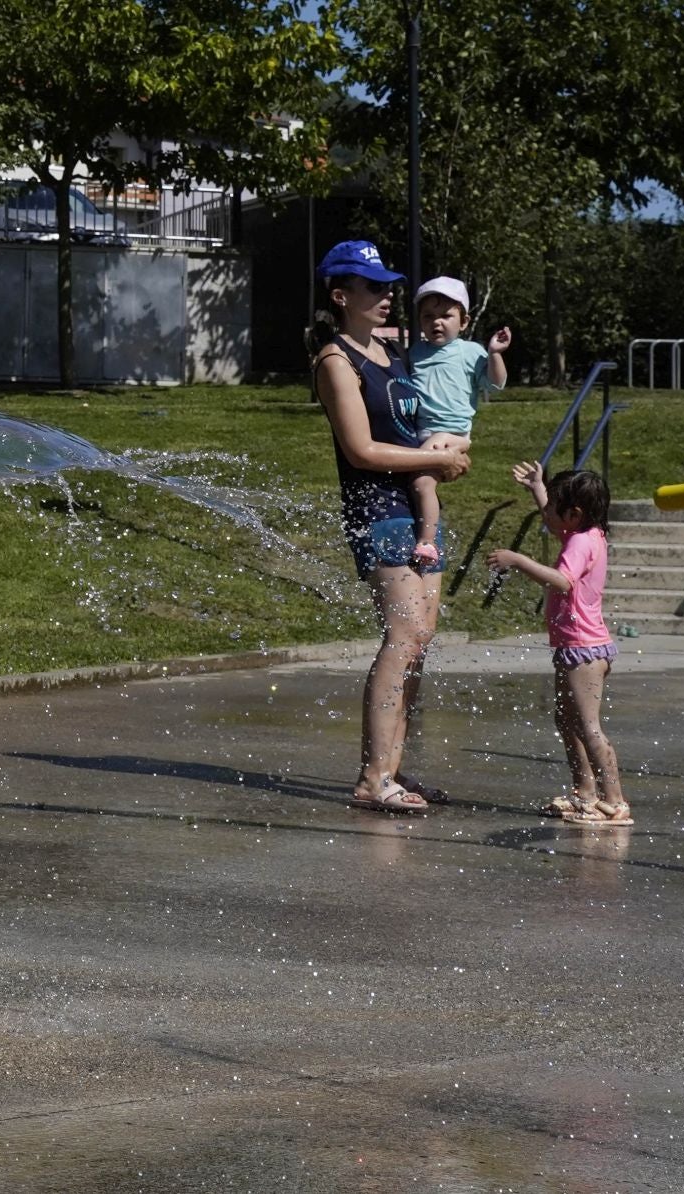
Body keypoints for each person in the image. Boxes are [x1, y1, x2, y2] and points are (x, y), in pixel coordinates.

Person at [310, 240, 470, 814]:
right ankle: (374, 777)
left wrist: (445, 449)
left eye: (387, 286)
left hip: (417, 508)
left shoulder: (388, 350)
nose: (387, 296)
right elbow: (360, 451)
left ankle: (394, 771)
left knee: (419, 644)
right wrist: (432, 461)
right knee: (403, 640)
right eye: (373, 287)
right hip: (378, 512)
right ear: (341, 295)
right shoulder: (336, 361)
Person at [486, 463, 632, 827]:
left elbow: (563, 582)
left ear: (574, 514)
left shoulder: (581, 541)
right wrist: (538, 488)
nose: (546, 514)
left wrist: (518, 560)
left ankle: (615, 803)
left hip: (584, 649)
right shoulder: (587, 533)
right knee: (566, 720)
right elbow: (556, 520)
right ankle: (585, 793)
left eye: (552, 507)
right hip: (576, 646)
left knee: (587, 725)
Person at [406, 276, 512, 566]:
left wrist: (495, 354)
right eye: (428, 316)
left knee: (421, 482)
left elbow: (494, 385)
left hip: (452, 434)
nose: (437, 322)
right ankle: (423, 533)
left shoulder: (470, 352)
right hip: (423, 433)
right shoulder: (415, 353)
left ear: (463, 322)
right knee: (416, 484)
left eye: (446, 316)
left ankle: (426, 543)